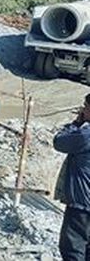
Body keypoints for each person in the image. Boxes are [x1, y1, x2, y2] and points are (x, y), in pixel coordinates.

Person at [54, 94, 90, 260]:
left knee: (73, 249)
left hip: (82, 204)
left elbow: (59, 141)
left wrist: (76, 123)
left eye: (85, 106)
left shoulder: (85, 136)